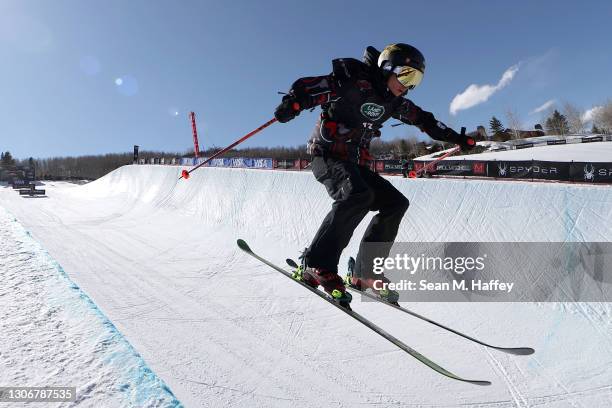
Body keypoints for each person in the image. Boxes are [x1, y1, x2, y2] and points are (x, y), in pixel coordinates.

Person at [274, 43, 475, 308]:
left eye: (416, 79)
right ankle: (316, 264)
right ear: (387, 67)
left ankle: (365, 273)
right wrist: (294, 102)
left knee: (395, 203)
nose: (409, 84)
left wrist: (456, 138)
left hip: (355, 164)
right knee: (358, 195)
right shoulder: (353, 81)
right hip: (327, 157)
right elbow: (311, 85)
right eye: (406, 75)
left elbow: (424, 120)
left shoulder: (394, 102)